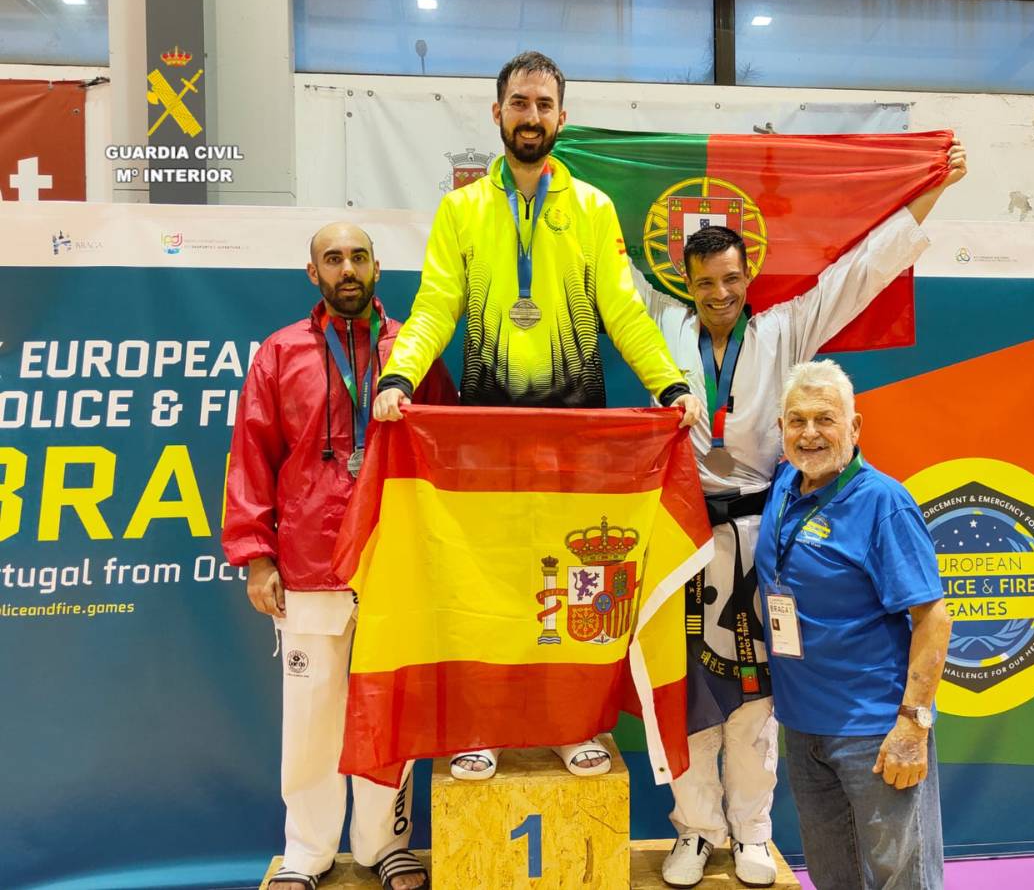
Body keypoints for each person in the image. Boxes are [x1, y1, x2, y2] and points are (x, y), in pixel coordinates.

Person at [640, 143, 965, 887]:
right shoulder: (659, 321)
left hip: (764, 528)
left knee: (759, 690)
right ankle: (695, 828)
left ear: (746, 277)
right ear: (684, 284)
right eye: (704, 283)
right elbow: (596, 267)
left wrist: (931, 190)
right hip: (685, 533)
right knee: (684, 686)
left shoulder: (785, 328)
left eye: (730, 279)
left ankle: (752, 829)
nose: (719, 293)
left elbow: (862, 273)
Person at [372, 51, 701, 781]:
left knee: (569, 583)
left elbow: (622, 309)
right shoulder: (461, 210)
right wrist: (399, 372)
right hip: (485, 436)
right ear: (497, 113)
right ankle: (480, 727)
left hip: (571, 433)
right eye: (518, 103)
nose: (531, 116)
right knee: (485, 583)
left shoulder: (591, 209)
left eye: (544, 104)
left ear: (562, 116)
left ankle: (571, 723)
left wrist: (671, 384)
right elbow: (434, 306)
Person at [223, 222, 458, 890]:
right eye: (333, 259)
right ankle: (308, 850)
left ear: (378, 268)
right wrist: (256, 556)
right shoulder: (280, 354)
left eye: (358, 257)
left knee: (388, 711)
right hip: (309, 562)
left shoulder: (413, 349)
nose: (347, 269)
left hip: (394, 564)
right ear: (313, 274)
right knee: (312, 715)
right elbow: (252, 458)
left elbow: (446, 449)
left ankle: (385, 843)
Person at [755, 359, 952, 890]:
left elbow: (933, 617)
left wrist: (914, 723)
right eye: (797, 421)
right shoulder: (784, 487)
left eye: (826, 419)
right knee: (835, 875)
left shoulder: (883, 503)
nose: (810, 433)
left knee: (901, 879)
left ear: (855, 427)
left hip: (875, 732)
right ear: (781, 431)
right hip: (803, 728)